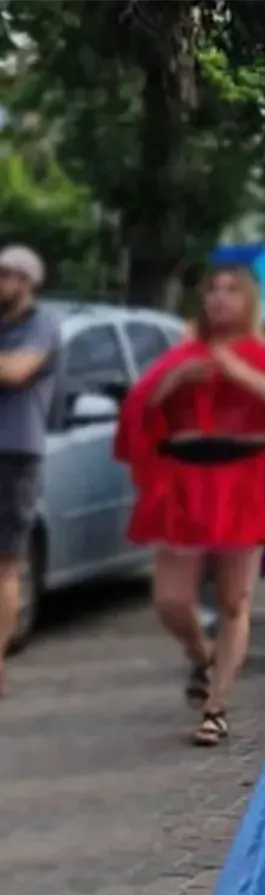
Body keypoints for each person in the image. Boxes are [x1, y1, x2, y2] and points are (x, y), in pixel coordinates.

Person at [114, 267, 265, 744]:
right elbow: (142, 409)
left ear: (249, 301)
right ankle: (200, 653)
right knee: (171, 599)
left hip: (244, 477)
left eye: (232, 290)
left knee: (235, 599)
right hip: (184, 478)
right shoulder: (183, 354)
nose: (221, 298)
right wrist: (177, 380)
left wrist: (236, 371)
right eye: (214, 289)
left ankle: (216, 706)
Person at [0, 246, 59, 696]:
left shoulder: (40, 324)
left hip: (14, 454)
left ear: (26, 281)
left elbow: (18, 371)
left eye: (6, 275)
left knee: (5, 565)